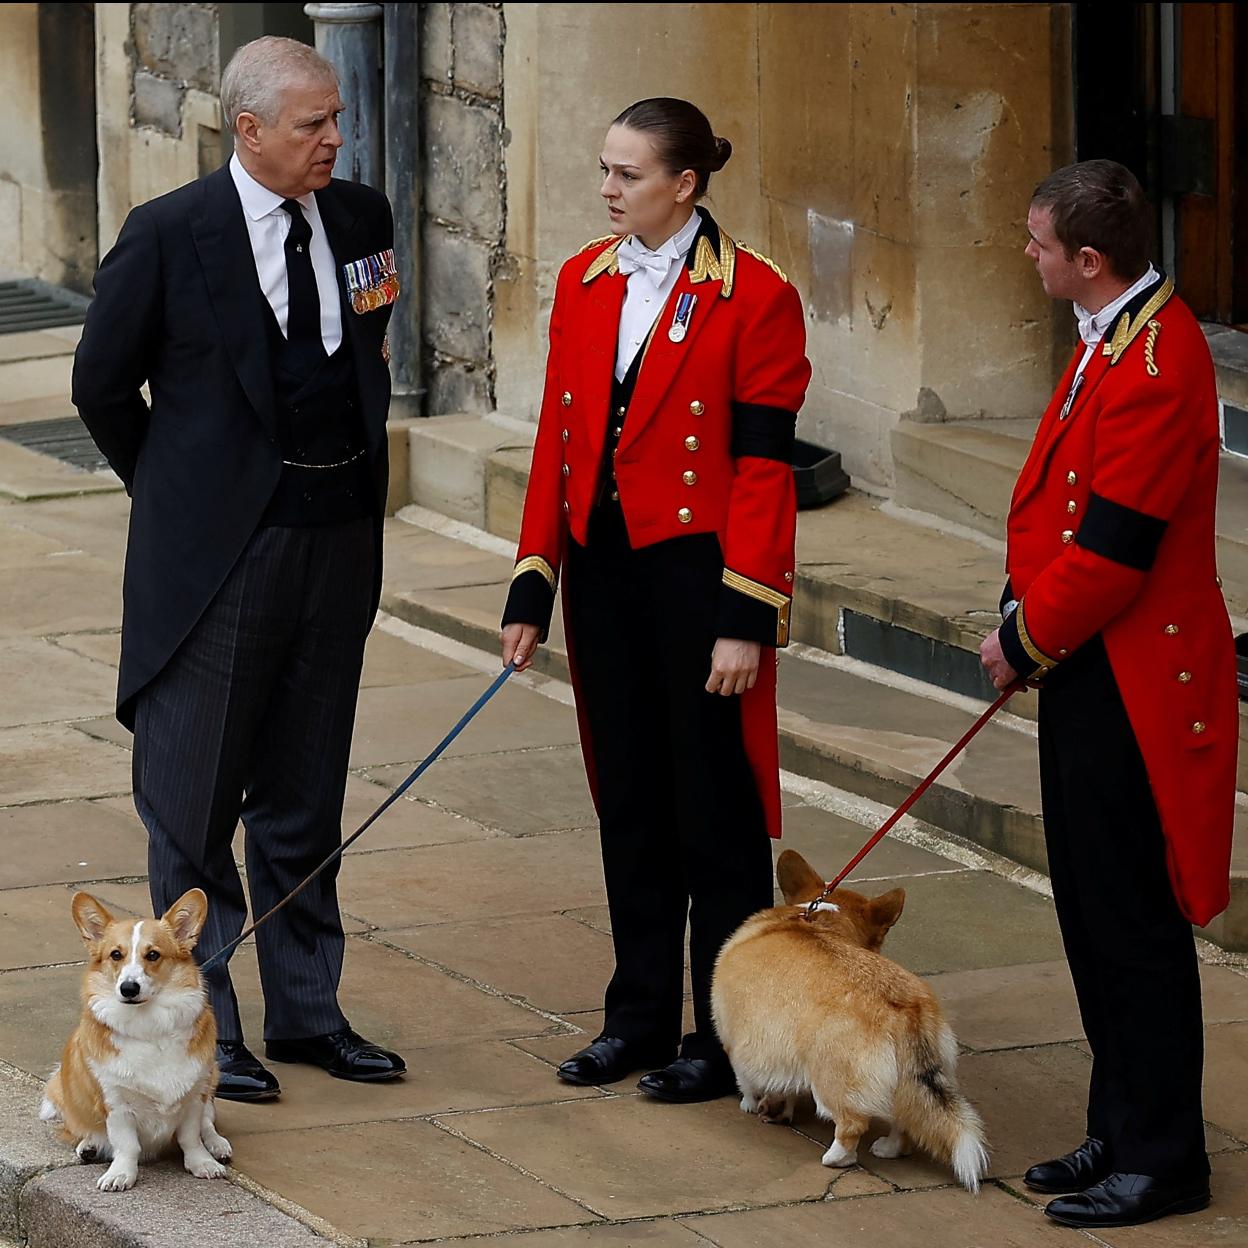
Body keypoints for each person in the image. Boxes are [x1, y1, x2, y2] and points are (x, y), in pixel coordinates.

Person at [72, 36, 406, 1101]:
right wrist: (183, 501)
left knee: (305, 796)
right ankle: (208, 1021)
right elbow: (99, 386)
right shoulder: (169, 235)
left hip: (338, 543)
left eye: (338, 119)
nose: (335, 141)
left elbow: (366, 346)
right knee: (195, 799)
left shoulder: (361, 220)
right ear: (249, 130)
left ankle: (310, 1012)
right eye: (314, 125)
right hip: (219, 563)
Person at [499, 98, 811, 1103]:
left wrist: (747, 617)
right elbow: (557, 438)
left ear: (684, 184)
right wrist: (531, 582)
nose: (607, 189)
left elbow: (766, 469)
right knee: (627, 801)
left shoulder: (756, 295)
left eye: (627, 175)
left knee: (712, 818)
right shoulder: (586, 281)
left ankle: (724, 1042)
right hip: (605, 576)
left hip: (700, 580)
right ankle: (635, 1019)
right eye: (604, 169)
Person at [980, 159, 1237, 1229]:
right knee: (1090, 910)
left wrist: (1017, 640)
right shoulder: (1116, 333)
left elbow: (1117, 552)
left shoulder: (1156, 361)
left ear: (1087, 261)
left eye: (1037, 242)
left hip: (1131, 674)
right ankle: (1118, 1124)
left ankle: (1165, 1156)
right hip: (1090, 666)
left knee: (1131, 921)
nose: (1027, 254)